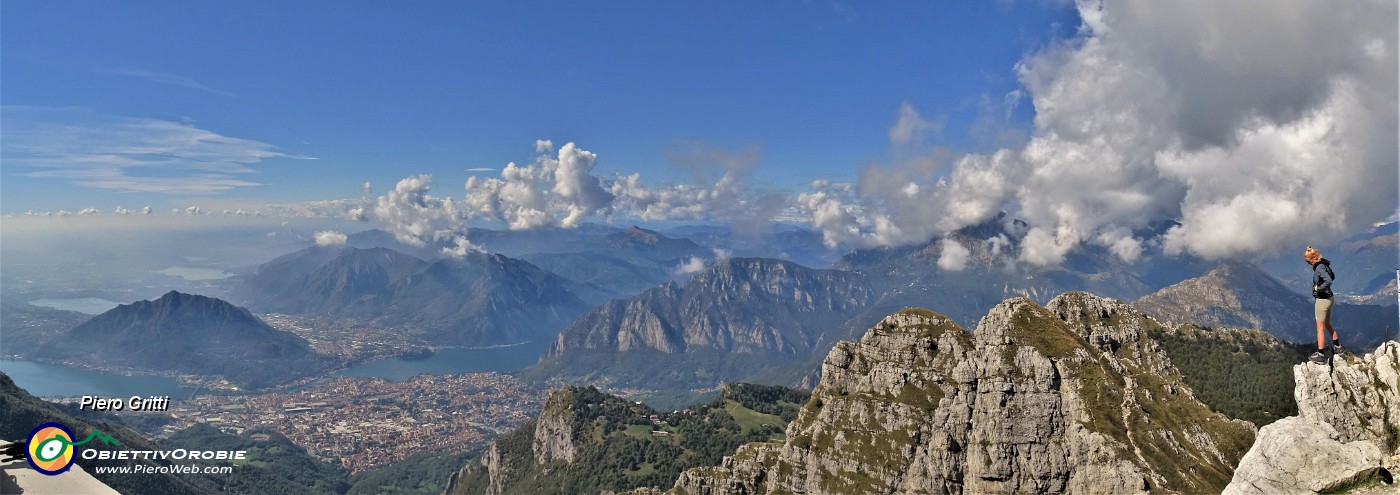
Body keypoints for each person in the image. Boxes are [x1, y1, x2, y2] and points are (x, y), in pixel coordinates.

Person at [1305, 246, 1341, 364]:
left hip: (1322, 300)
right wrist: (1310, 250)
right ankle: (1338, 347)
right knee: (1327, 324)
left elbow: (1329, 280)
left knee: (1320, 328)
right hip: (1330, 298)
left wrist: (1318, 288)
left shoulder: (1319, 268)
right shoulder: (1324, 264)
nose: (1309, 264)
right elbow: (1333, 276)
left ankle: (1320, 355)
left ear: (1313, 259)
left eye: (1309, 261)